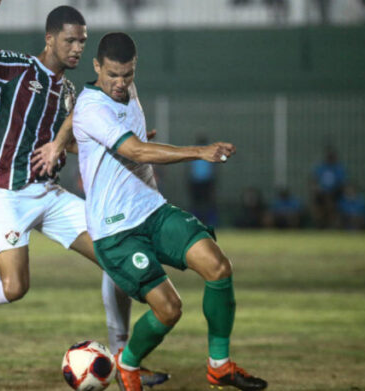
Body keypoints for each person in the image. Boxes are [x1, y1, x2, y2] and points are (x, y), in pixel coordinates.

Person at [0, 2, 168, 387]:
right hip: (4, 193)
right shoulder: (17, 69)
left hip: (48, 194)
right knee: (14, 289)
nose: (77, 49)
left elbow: (69, 145)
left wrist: (118, 144)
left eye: (82, 42)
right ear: (50, 39)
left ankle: (124, 359)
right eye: (70, 40)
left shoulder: (69, 91)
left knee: (116, 258)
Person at [34, 32, 267, 391]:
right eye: (112, 74)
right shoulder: (92, 105)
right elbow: (138, 152)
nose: (120, 83)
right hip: (117, 233)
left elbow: (127, 142)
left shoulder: (126, 90)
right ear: (96, 67)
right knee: (169, 309)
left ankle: (219, 366)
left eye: (127, 74)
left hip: (152, 210)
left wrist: (124, 141)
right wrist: (199, 151)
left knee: (218, 267)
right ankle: (127, 365)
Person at [310, 147, 346, 228]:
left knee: (329, 201)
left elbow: (342, 183)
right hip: (321, 193)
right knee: (317, 206)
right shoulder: (321, 167)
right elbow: (313, 180)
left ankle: (332, 225)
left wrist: (332, 191)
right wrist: (316, 189)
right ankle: (319, 225)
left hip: (335, 193)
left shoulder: (339, 168)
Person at [188, 135, 217, 225]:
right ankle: (195, 222)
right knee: (197, 203)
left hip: (206, 181)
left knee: (208, 203)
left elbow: (213, 168)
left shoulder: (208, 154)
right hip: (197, 181)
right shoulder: (195, 153)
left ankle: (211, 222)